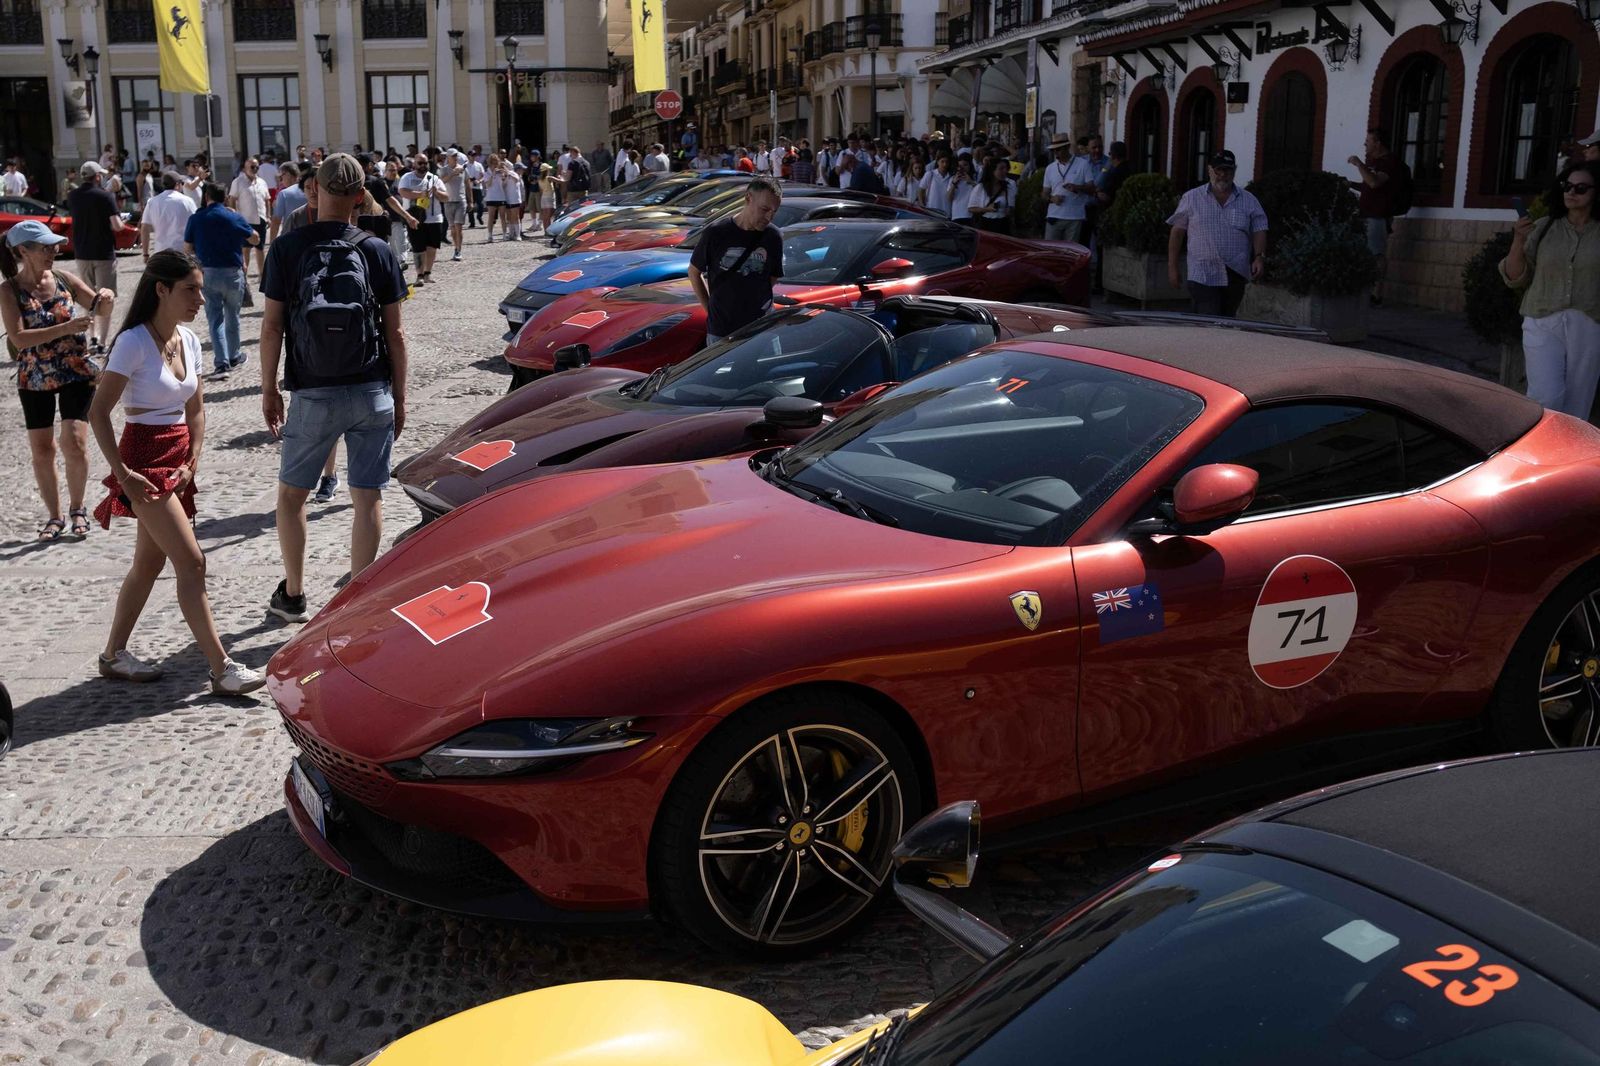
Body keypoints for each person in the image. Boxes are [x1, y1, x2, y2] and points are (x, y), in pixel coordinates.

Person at [85, 250, 264, 693]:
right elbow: (98, 414)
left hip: (178, 458)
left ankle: (113, 655)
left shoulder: (186, 339)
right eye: (191, 289)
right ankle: (221, 668)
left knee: (147, 565)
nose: (200, 299)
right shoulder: (131, 342)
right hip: (143, 461)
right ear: (161, 289)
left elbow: (196, 409)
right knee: (192, 562)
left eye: (201, 289)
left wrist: (193, 459)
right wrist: (123, 474)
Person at [259, 154, 409, 623]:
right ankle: (359, 599)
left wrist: (269, 388)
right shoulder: (377, 250)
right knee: (368, 496)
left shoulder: (286, 249)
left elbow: (271, 327)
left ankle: (295, 594)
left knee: (292, 496)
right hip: (371, 389)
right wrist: (400, 398)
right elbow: (396, 334)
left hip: (313, 390)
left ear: (314, 192)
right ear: (361, 198)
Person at [1, 221, 109, 541]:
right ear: (23, 251)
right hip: (35, 375)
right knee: (43, 449)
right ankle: (54, 516)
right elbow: (19, 339)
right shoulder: (9, 291)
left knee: (74, 440)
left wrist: (106, 296)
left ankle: (78, 509)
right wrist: (67, 327)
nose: (54, 251)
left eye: (54, 246)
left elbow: (99, 307)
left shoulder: (64, 278)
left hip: (75, 368)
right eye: (45, 247)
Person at [1500, 162, 1600, 419]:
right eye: (1567, 186)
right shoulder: (1545, 227)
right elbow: (1514, 277)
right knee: (1546, 396)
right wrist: (1519, 240)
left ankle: (1567, 456)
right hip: (1541, 317)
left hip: (1589, 321)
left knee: (1579, 401)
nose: (1571, 192)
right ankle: (1539, 449)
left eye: (1580, 188)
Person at [1166, 149, 1269, 318]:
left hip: (1235, 273)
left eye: (1227, 170)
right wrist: (1172, 267)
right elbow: (1177, 233)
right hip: (1202, 273)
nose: (1222, 175)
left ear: (1234, 171)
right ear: (1209, 170)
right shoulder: (1192, 198)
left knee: (1227, 320)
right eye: (1218, 170)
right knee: (1209, 318)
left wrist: (1259, 257)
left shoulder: (1249, 200)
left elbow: (1259, 228)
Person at [687, 177, 784, 346]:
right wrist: (710, 310)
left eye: (774, 212)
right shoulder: (716, 233)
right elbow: (694, 272)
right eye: (764, 209)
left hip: (762, 327)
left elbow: (772, 277)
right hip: (722, 330)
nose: (769, 217)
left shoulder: (773, 237)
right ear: (748, 198)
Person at [183, 182, 259, 375]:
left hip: (208, 273)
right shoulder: (233, 217)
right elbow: (255, 238)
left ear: (206, 196)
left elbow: (187, 249)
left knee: (215, 318)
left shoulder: (196, 218)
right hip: (233, 273)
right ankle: (234, 355)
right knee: (233, 316)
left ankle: (221, 363)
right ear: (224, 197)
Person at [67, 161, 128, 347]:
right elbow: (117, 226)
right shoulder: (105, 196)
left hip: (82, 251)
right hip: (103, 252)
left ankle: (90, 337)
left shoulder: (73, 196)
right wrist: (123, 221)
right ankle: (102, 341)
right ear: (98, 177)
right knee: (105, 297)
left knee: (87, 297)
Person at [1348, 128, 1399, 307]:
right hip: (1366, 214)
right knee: (1366, 255)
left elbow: (1374, 182)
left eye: (1368, 141)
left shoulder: (1389, 163)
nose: (1365, 144)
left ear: (1378, 143)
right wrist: (1350, 184)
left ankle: (1376, 294)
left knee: (1376, 255)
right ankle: (1365, 291)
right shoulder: (1374, 163)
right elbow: (1367, 187)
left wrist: (1359, 164)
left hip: (1378, 217)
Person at [395, 153, 447, 283]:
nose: (423, 166)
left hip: (434, 218)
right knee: (418, 248)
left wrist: (437, 192)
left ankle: (428, 272)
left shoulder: (434, 178)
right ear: (414, 164)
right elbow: (402, 192)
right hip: (414, 217)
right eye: (420, 163)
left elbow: (446, 197)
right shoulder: (407, 177)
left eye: (425, 163)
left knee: (432, 247)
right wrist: (420, 194)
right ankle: (419, 275)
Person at [226, 157, 271, 279]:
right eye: (252, 166)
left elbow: (267, 200)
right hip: (244, 220)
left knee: (260, 248)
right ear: (245, 168)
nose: (255, 169)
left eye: (257, 166)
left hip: (260, 218)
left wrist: (268, 216)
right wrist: (234, 217)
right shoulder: (238, 182)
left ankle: (262, 274)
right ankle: (243, 275)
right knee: (245, 248)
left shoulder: (262, 182)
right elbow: (232, 199)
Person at [140, 171, 197, 258]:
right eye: (182, 183)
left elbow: (144, 228)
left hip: (160, 251)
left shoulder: (152, 202)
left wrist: (145, 254)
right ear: (177, 184)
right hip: (183, 252)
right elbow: (196, 225)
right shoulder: (188, 201)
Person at [968, 157, 1018, 235]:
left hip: (1002, 225)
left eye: (1005, 168)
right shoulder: (980, 187)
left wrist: (1009, 210)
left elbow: (1012, 208)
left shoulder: (1009, 187)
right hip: (985, 224)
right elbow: (971, 208)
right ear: (992, 171)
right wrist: (987, 209)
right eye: (1001, 169)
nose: (1005, 171)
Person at [439, 148, 468, 263]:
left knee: (458, 226)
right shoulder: (444, 169)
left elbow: (467, 183)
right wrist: (453, 173)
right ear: (448, 158)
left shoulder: (463, 168)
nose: (455, 157)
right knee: (452, 229)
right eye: (453, 156)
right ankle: (455, 247)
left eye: (456, 155)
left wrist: (470, 200)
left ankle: (458, 250)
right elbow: (442, 181)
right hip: (448, 201)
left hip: (461, 200)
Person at [270, 162, 305, 242]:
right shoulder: (312, 190)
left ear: (288, 174)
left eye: (281, 177)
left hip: (290, 239)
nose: (281, 181)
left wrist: (272, 244)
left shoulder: (284, 193)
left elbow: (276, 222)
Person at [948, 156, 978, 223]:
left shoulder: (975, 177)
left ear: (970, 165)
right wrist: (954, 184)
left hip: (971, 215)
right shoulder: (952, 179)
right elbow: (949, 198)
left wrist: (971, 182)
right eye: (960, 165)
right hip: (957, 215)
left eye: (965, 165)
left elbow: (981, 194)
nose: (962, 168)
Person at [465, 149, 486, 227]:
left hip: (477, 187)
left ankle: (479, 216)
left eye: (475, 155)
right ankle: (472, 222)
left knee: (480, 204)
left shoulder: (479, 165)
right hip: (469, 187)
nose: (474, 157)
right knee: (470, 205)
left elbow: (483, 175)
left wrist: (479, 181)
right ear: (468, 156)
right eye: (472, 155)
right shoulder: (465, 165)